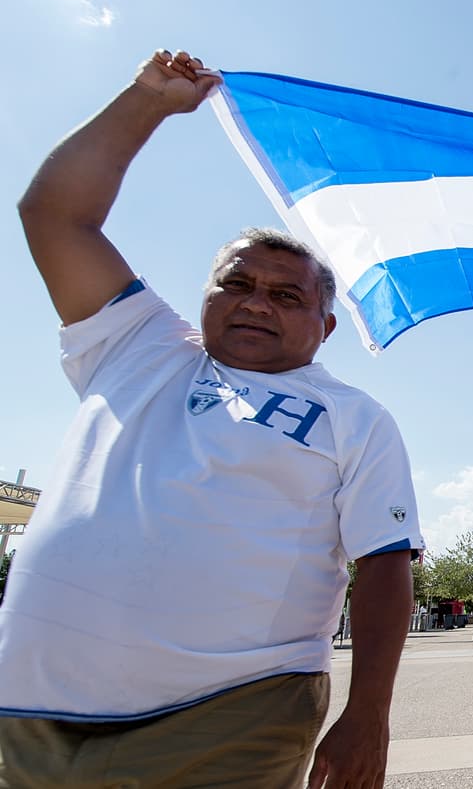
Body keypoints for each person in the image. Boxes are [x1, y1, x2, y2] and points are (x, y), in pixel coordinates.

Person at [0, 50, 424, 788]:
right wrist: (145, 103)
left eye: (287, 295)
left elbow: (384, 565)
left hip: (227, 715)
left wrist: (369, 713)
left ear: (325, 327)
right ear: (204, 297)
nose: (257, 301)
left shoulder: (354, 417)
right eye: (238, 283)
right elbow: (53, 213)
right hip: (26, 712)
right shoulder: (139, 344)